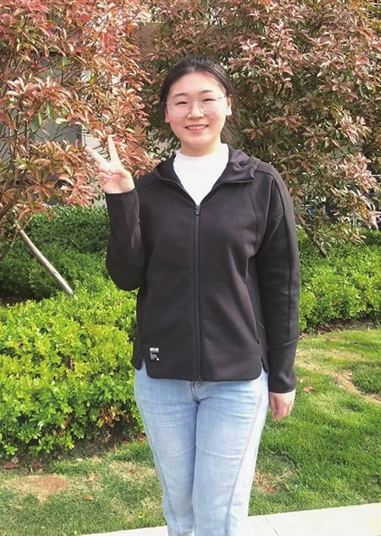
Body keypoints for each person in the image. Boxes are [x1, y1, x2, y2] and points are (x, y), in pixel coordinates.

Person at [86, 56, 300, 536]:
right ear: (167, 113)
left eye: (207, 99)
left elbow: (282, 285)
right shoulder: (148, 189)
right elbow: (126, 276)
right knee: (181, 510)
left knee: (218, 513)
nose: (195, 112)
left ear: (228, 104)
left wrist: (282, 375)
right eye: (181, 101)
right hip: (162, 379)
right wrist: (121, 199)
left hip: (237, 378)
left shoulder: (261, 184)